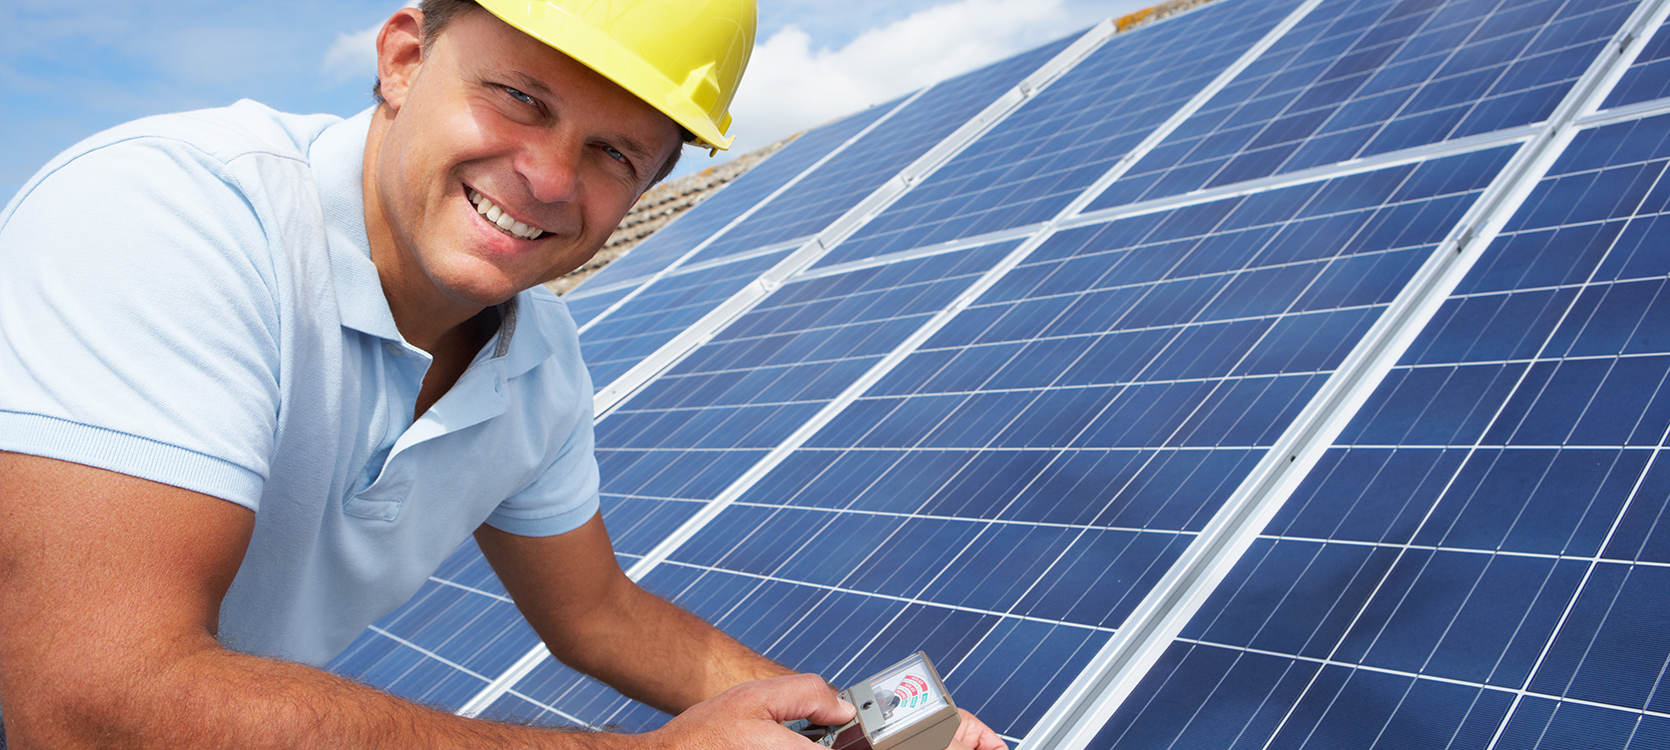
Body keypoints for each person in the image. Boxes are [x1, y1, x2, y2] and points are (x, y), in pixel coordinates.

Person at [0, 1, 1008, 748]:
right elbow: (90, 706)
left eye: (614, 154)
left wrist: (854, 723)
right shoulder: (171, 218)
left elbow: (596, 612)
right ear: (403, 60)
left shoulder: (538, 362)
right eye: (520, 98)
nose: (550, 178)